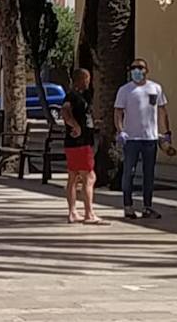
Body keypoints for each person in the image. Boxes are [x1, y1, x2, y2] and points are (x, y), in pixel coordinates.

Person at [113, 58, 170, 220]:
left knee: (149, 174)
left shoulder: (155, 88)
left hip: (150, 138)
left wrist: (166, 132)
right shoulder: (125, 90)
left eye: (140, 68)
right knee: (129, 172)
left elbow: (162, 111)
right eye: (134, 68)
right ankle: (128, 206)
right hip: (131, 139)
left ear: (147, 70)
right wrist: (121, 130)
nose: (137, 71)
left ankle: (147, 206)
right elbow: (118, 112)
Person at [60, 68, 104, 224]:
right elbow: (64, 111)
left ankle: (73, 212)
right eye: (87, 79)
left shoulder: (81, 97)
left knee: (73, 177)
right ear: (81, 79)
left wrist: (90, 125)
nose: (89, 82)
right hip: (80, 143)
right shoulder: (73, 96)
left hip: (76, 142)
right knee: (89, 177)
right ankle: (89, 213)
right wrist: (75, 126)